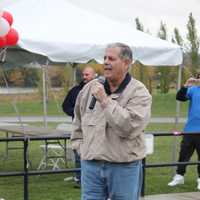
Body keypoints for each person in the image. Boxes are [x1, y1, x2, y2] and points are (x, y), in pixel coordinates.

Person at [71, 43, 152, 200]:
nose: (106, 62)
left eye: (112, 59)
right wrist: (81, 149)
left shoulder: (138, 92)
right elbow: (77, 122)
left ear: (126, 63)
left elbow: (129, 127)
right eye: (105, 58)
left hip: (123, 167)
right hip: (91, 166)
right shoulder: (89, 89)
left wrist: (104, 100)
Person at [62, 66, 96, 186]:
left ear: (94, 75)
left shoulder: (101, 90)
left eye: (87, 75)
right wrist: (77, 114)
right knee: (78, 153)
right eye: (84, 74)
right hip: (79, 128)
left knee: (93, 155)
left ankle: (92, 179)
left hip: (95, 129)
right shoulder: (75, 91)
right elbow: (65, 106)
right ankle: (79, 178)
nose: (85, 77)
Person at [168, 73, 200, 190]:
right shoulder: (193, 90)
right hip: (190, 130)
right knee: (184, 154)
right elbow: (179, 97)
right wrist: (185, 85)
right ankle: (179, 176)